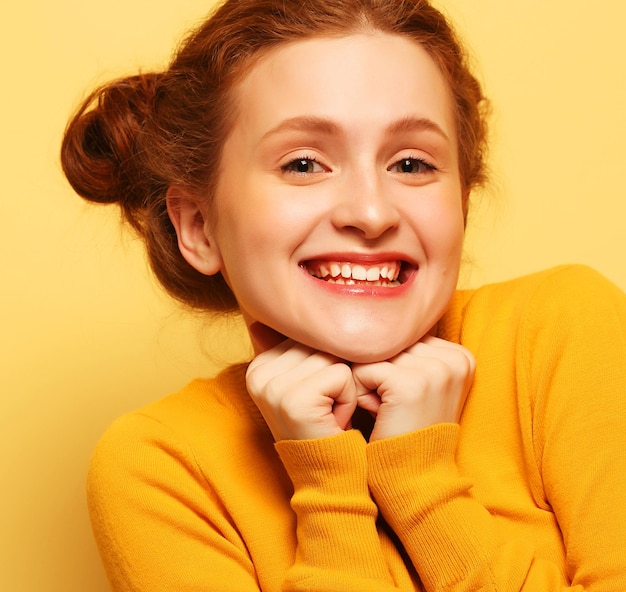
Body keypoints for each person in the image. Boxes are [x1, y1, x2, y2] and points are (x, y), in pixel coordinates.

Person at [60, 0, 626, 590]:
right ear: (199, 226)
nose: (372, 212)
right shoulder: (161, 466)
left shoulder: (563, 332)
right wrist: (330, 487)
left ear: (460, 204)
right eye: (304, 164)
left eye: (411, 163)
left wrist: (420, 481)